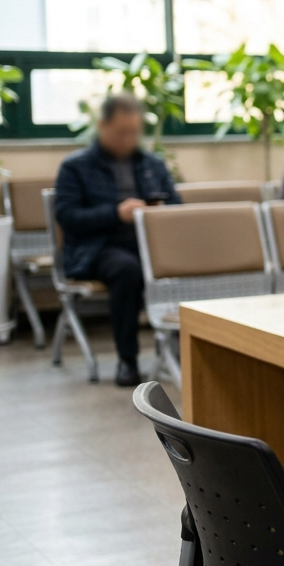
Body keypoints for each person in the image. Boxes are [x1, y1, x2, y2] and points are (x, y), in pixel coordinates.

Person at [54, 94, 180, 387]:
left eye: (134, 132)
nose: (128, 138)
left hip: (148, 244)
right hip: (97, 248)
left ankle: (180, 351)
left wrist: (160, 212)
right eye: (121, 132)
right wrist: (115, 213)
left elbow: (177, 204)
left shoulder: (151, 164)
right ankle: (128, 359)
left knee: (187, 262)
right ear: (102, 127)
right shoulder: (76, 167)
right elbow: (68, 216)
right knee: (127, 270)